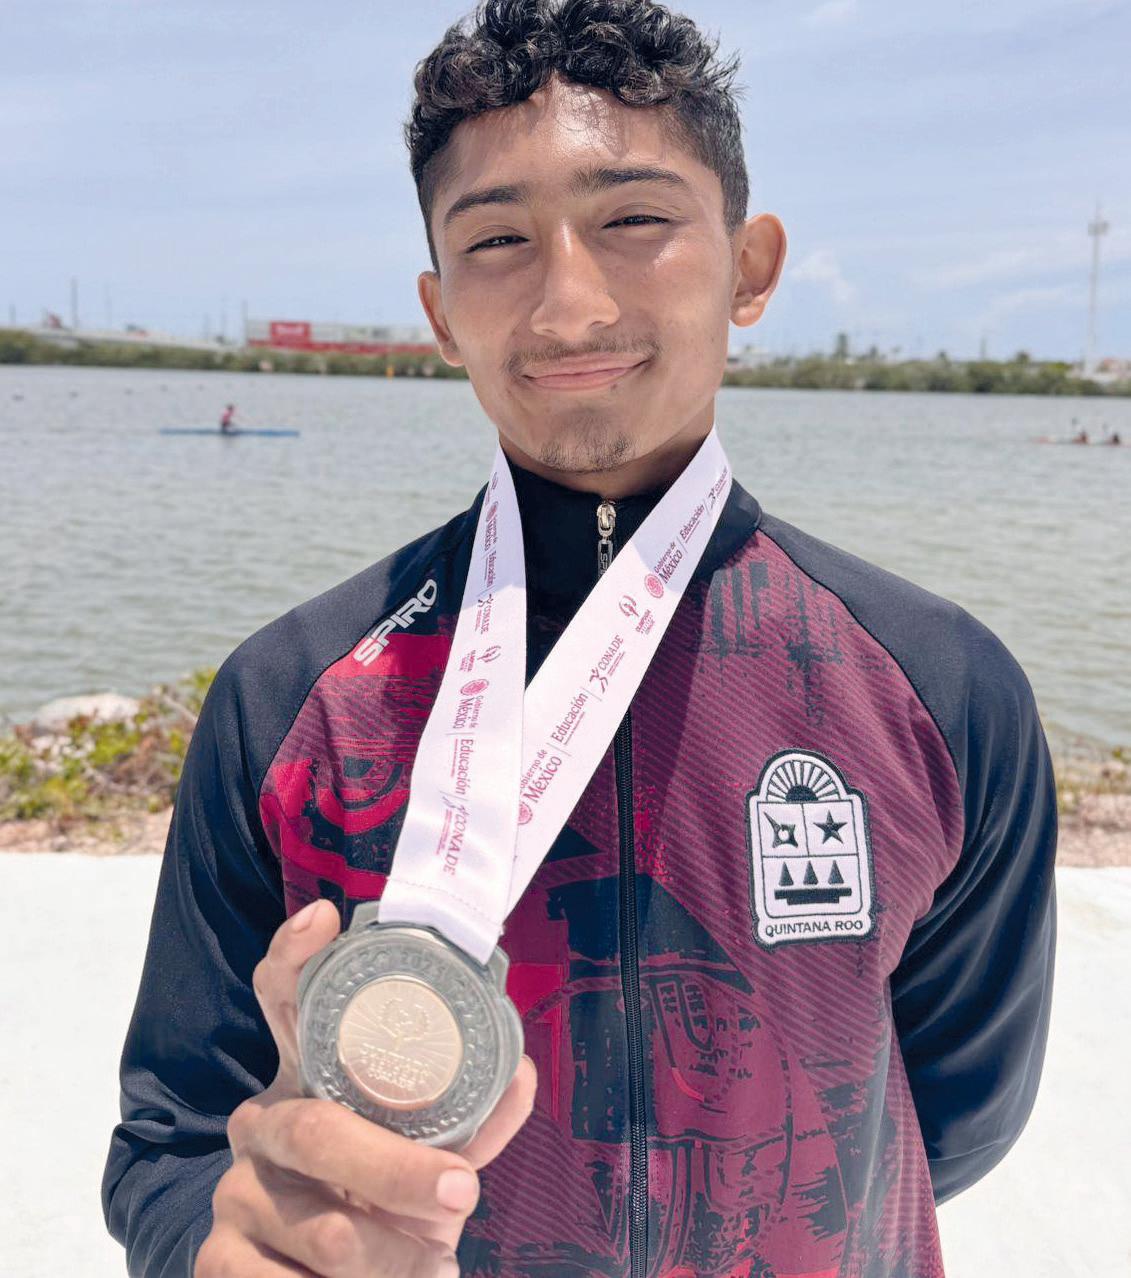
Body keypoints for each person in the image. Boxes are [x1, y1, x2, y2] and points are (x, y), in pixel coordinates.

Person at [101, 3, 1058, 1276]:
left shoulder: (940, 688)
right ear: (441, 312)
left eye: (634, 220)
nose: (567, 305)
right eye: (497, 240)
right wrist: (229, 1243)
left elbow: (951, 1115)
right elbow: (171, 1142)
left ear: (751, 267)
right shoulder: (293, 701)